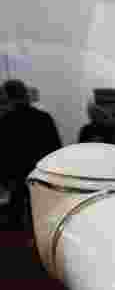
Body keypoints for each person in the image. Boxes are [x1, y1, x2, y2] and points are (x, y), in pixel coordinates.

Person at [0, 79, 62, 228]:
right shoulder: (44, 118)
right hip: (40, 175)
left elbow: (3, 153)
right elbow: (55, 148)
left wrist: (4, 179)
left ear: (8, 97)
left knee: (16, 217)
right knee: (42, 217)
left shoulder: (5, 121)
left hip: (16, 177)